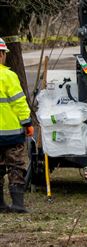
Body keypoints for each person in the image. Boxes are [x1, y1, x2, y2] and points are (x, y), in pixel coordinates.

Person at [0, 37, 34, 213]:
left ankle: (0, 204)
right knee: (16, 167)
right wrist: (27, 122)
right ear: (1, 55)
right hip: (11, 134)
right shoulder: (8, 76)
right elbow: (19, 102)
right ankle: (18, 204)